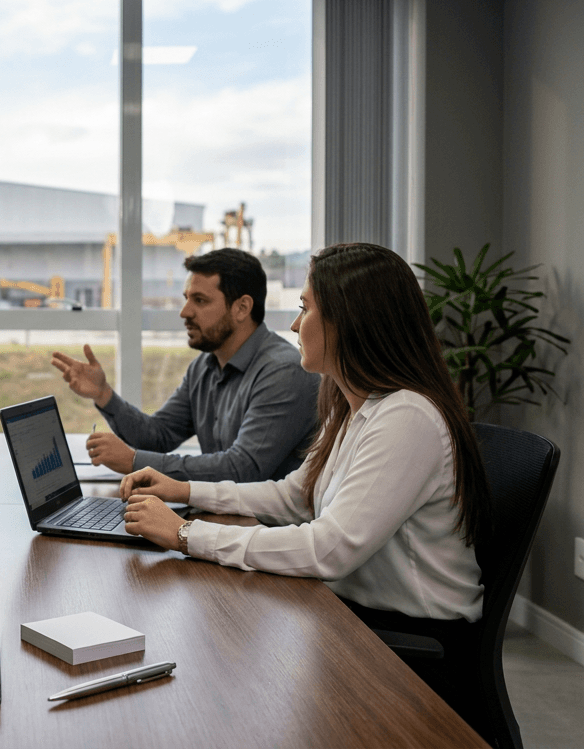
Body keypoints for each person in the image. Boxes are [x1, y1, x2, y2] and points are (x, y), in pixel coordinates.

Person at [120, 242, 490, 725]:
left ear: (350, 320)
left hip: (414, 647)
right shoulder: (357, 406)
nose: (295, 325)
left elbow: (328, 550)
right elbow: (296, 494)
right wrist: (184, 491)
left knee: (225, 666)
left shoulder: (407, 418)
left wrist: (187, 535)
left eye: (305, 308)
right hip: (355, 615)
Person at [51, 248, 319, 481]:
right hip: (225, 519)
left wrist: (134, 461)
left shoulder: (284, 371)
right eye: (187, 298)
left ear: (242, 308)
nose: (185, 312)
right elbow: (158, 436)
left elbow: (242, 470)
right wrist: (103, 394)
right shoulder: (204, 366)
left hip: (267, 531)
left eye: (200, 301)